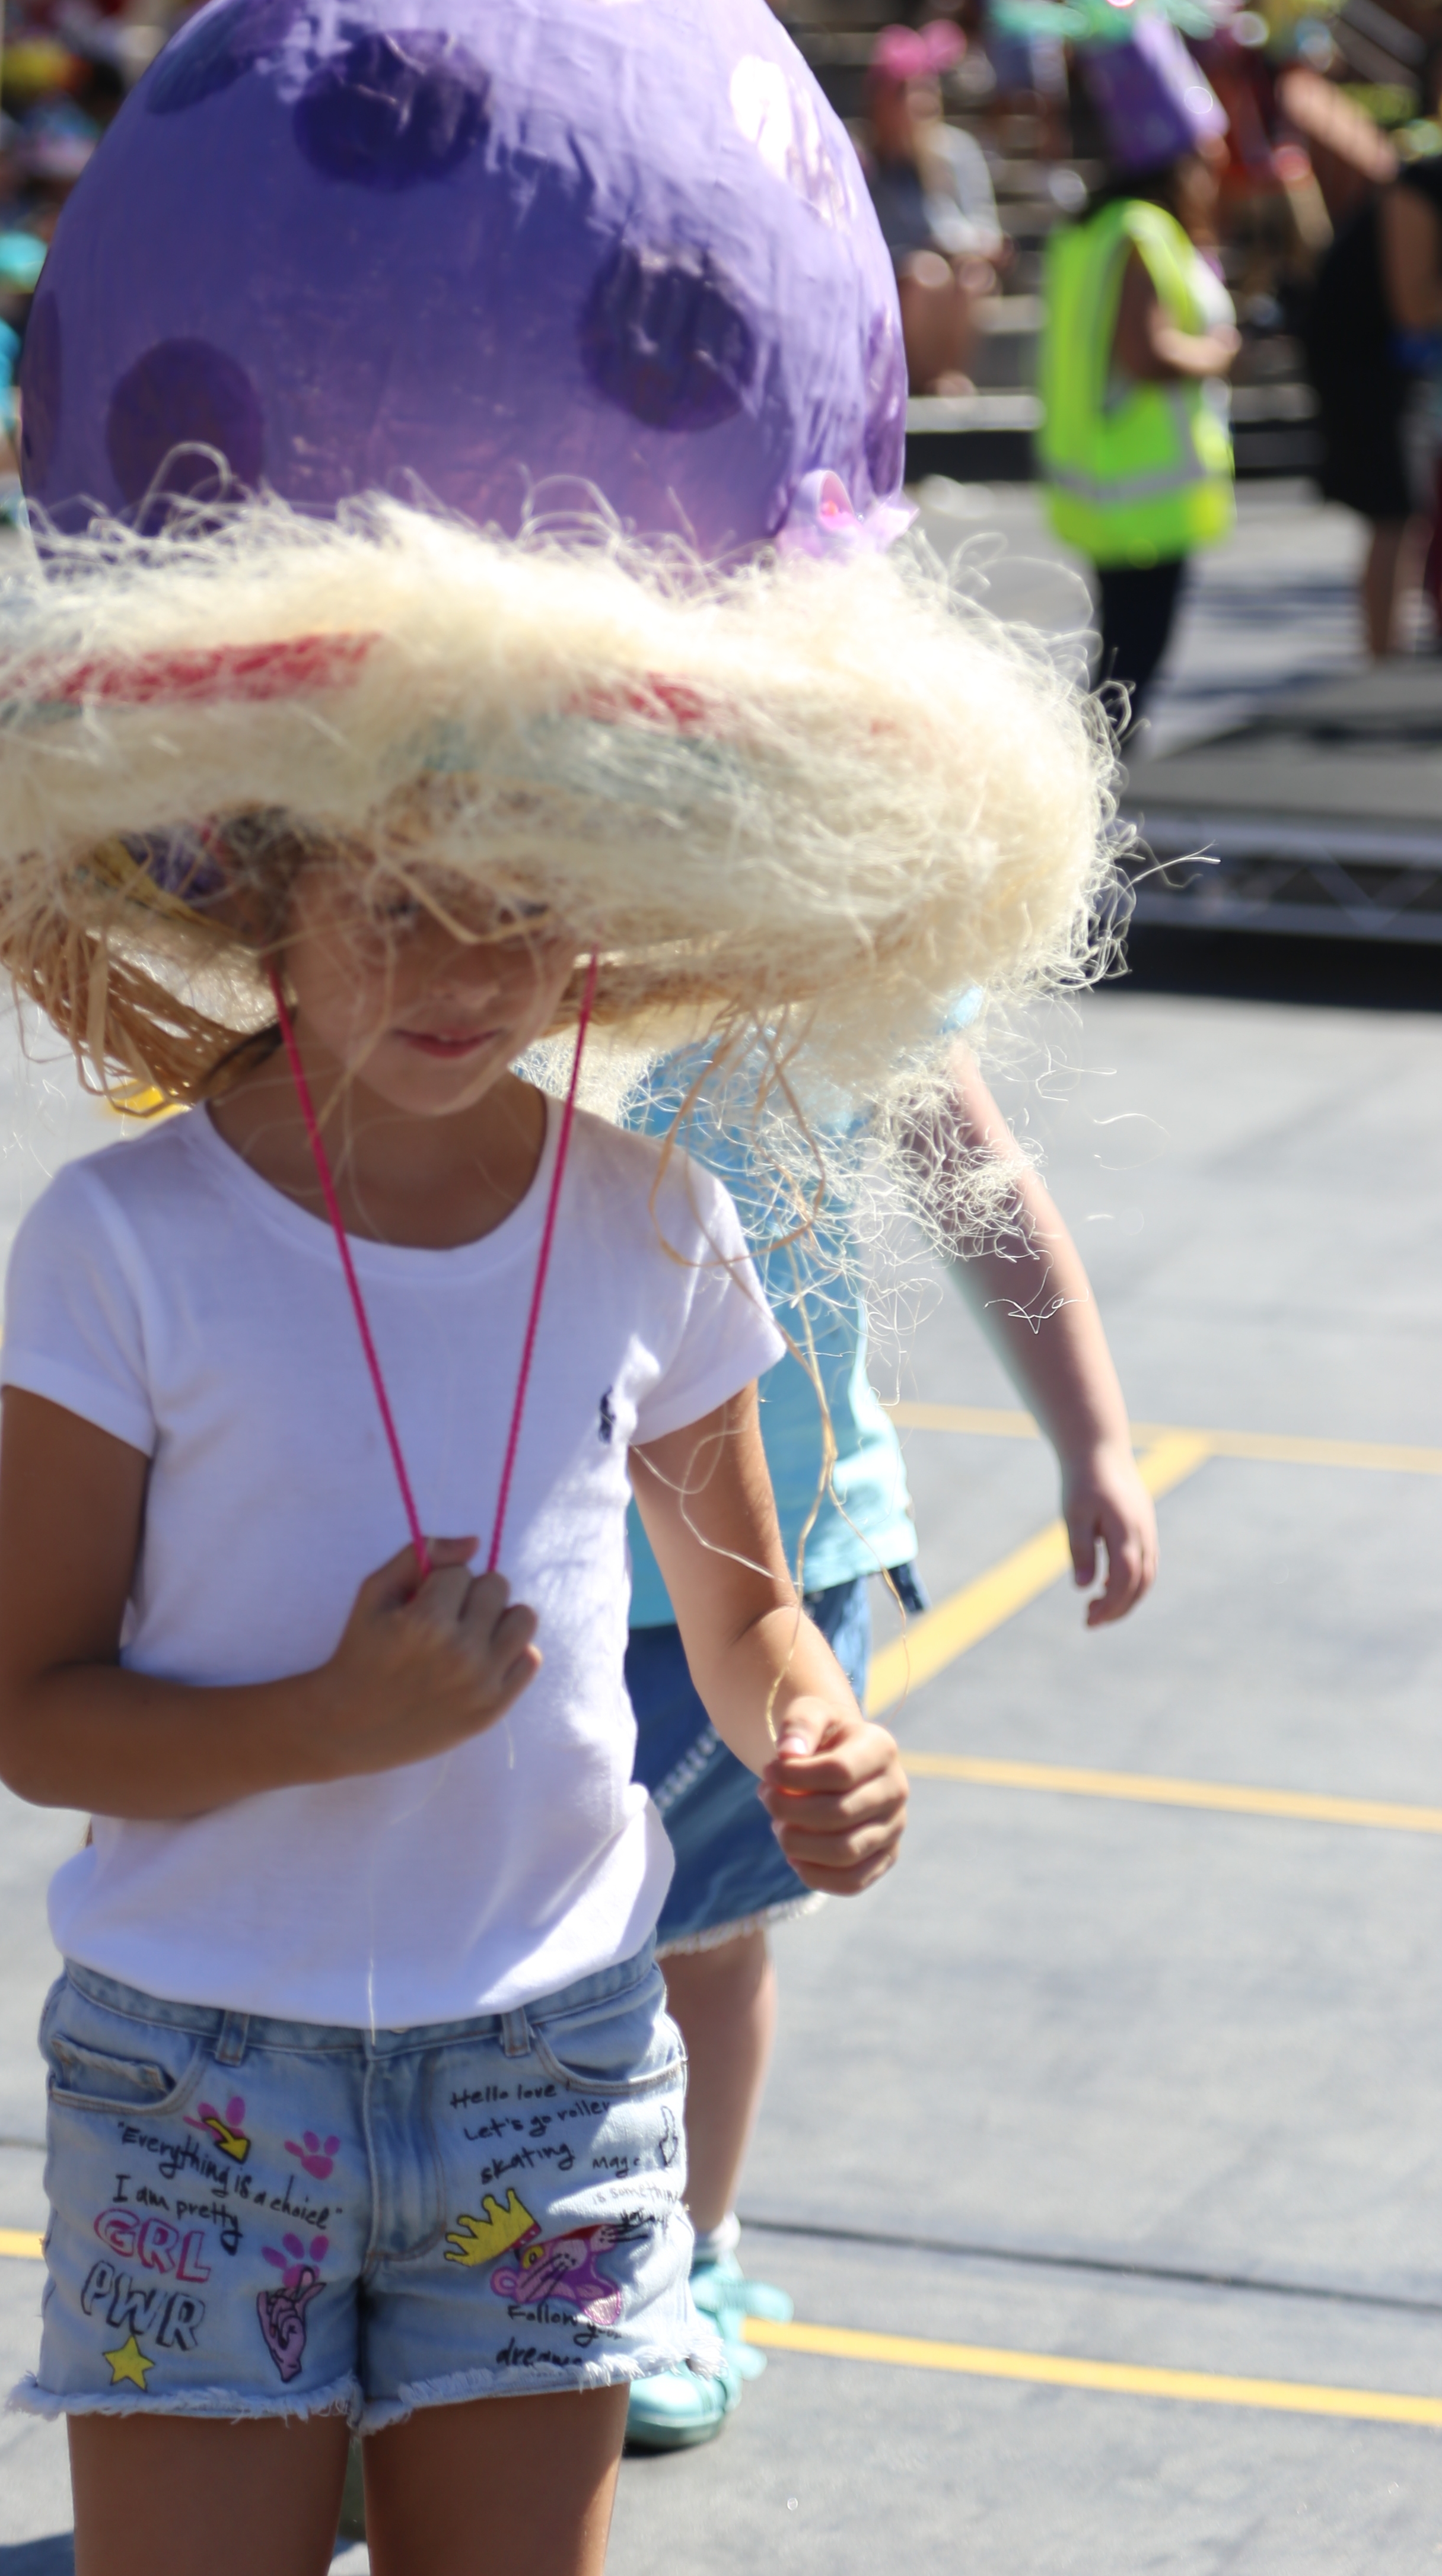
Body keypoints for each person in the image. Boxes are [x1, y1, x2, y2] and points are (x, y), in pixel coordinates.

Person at [0, 0, 1110, 2576]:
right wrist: (328, 1724)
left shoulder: (651, 1225)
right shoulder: (123, 1241)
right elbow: (46, 1712)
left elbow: (737, 1590)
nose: (477, 958)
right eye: (408, 888)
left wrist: (806, 1723)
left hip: (549, 2057)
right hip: (204, 2062)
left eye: (546, 894)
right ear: (255, 865)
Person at [615, 1040, 1158, 2450]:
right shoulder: (518, 941)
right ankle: (498, 2268)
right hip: (526, 1550)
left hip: (780, 1551)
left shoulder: (860, 943)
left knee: (711, 1937)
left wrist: (1092, 1435)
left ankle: (688, 2252)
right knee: (508, 1949)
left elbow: (981, 1184)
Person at [1037, 11, 1239, 752]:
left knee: (1118, 666)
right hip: (1146, 495)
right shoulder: (1141, 231)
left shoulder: (1092, 229)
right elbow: (1145, 352)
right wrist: (1219, 352)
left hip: (1107, 485)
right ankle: (1101, 821)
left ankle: (1093, 811)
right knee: (1127, 678)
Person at [1301, 135, 1442, 659]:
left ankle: (1391, 652)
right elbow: (1416, 304)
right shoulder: (1423, 184)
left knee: (1407, 511)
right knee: (1394, 510)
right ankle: (1384, 658)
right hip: (1361, 360)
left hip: (1393, 361)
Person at [860, 22, 1005, 397]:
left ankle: (949, 374)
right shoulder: (866, 164)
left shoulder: (957, 152)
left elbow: (983, 223)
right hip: (899, 273)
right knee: (926, 275)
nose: (921, 107)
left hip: (953, 261)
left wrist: (960, 241)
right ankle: (915, 380)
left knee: (973, 276)